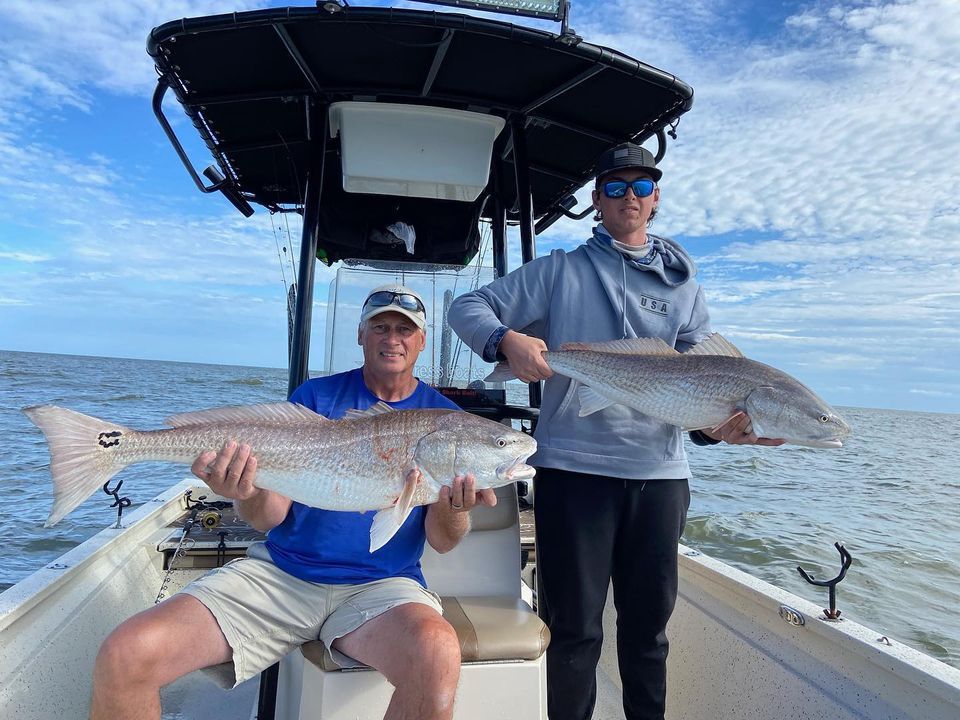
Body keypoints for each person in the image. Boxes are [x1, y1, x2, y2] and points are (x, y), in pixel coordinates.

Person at [446, 143, 784, 720]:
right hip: (574, 473)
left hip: (661, 478)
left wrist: (720, 430)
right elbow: (467, 307)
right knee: (573, 631)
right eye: (616, 186)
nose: (631, 196)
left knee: (648, 633)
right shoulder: (560, 271)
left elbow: (701, 390)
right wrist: (506, 341)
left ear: (656, 199)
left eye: (642, 186)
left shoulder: (685, 288)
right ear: (597, 200)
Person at [90, 283, 496, 720]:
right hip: (282, 575)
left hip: (382, 588)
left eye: (404, 329)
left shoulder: (447, 421)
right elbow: (269, 518)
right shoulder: (314, 397)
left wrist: (455, 507)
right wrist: (247, 491)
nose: (392, 338)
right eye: (380, 327)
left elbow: (443, 542)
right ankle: (122, 445)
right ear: (361, 335)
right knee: (127, 653)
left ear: (421, 341)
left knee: (437, 654)